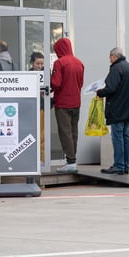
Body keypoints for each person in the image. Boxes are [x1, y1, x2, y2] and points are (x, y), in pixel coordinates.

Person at [96, 47, 129, 176]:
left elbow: (111, 88)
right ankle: (124, 165)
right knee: (125, 137)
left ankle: (119, 165)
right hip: (128, 109)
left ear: (114, 56)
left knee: (117, 137)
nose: (109, 60)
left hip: (118, 109)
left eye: (110, 57)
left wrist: (100, 92)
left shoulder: (116, 68)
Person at [50, 37, 84, 174]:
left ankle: (70, 162)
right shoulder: (79, 63)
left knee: (65, 132)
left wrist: (50, 83)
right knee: (73, 132)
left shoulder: (60, 63)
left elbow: (56, 84)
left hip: (63, 103)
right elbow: (80, 83)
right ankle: (73, 160)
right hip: (76, 102)